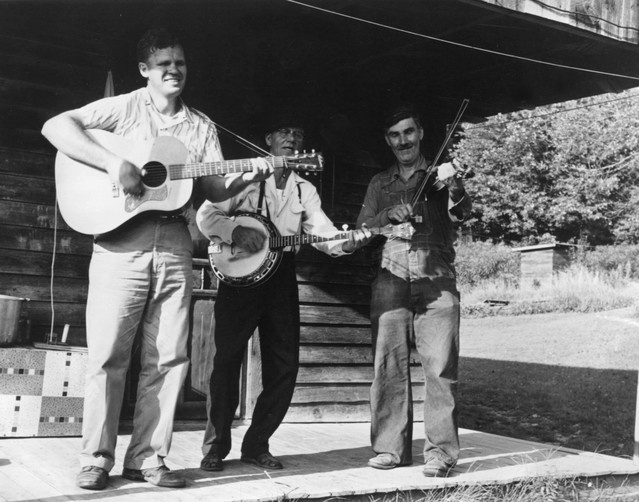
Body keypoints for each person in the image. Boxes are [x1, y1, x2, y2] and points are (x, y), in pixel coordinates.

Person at [41, 28, 271, 491]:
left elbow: (212, 190)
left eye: (180, 63)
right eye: (164, 63)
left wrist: (251, 175)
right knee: (107, 356)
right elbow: (55, 126)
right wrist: (111, 163)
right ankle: (96, 459)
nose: (174, 70)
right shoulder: (125, 107)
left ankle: (148, 459)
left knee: (168, 357)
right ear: (145, 70)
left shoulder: (201, 127)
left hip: (174, 243)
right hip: (118, 241)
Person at [196, 114, 371, 471]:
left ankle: (257, 443)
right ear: (269, 138)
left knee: (285, 365)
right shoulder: (244, 179)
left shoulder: (304, 188)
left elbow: (322, 233)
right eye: (284, 131)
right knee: (226, 360)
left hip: (281, 277)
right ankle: (215, 446)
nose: (291, 138)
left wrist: (348, 243)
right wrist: (233, 232)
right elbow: (206, 216)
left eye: (298, 133)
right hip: (238, 277)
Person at [355, 105, 472, 478]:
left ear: (420, 133)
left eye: (408, 132)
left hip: (436, 277)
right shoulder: (379, 184)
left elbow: (464, 213)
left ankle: (440, 453)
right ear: (388, 140)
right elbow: (361, 230)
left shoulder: (439, 175)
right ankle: (390, 449)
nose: (403, 140)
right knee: (387, 365)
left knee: (440, 367)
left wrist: (455, 185)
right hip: (391, 276)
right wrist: (386, 217)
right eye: (395, 134)